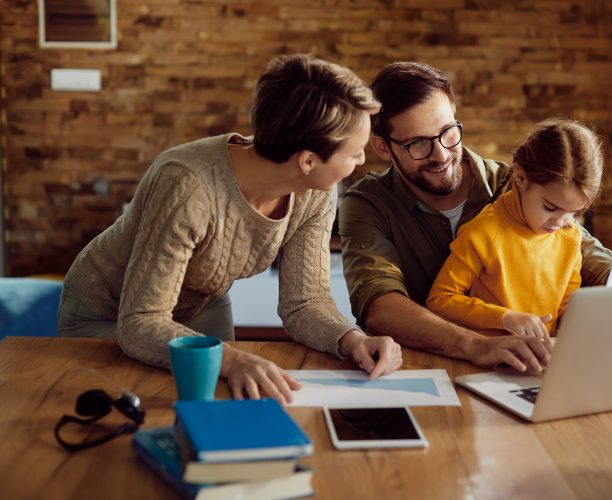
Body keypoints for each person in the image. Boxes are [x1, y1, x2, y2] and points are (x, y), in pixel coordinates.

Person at [57, 54, 403, 403]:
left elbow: (304, 301)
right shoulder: (187, 185)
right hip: (111, 312)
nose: (362, 161)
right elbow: (140, 322)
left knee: (226, 406)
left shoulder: (316, 190)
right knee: (144, 410)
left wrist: (352, 339)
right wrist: (232, 358)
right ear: (308, 160)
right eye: (356, 151)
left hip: (201, 302)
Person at [338, 61, 612, 373]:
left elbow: (593, 264)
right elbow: (380, 306)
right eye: (418, 144)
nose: (441, 154)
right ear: (383, 148)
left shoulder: (516, 186)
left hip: (526, 367)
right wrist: (479, 345)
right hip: (415, 372)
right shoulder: (366, 203)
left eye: (449, 132)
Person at [427, 119, 603, 347]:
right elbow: (440, 300)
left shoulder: (570, 237)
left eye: (573, 213)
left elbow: (568, 309)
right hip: (488, 362)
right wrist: (505, 318)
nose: (561, 222)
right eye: (550, 208)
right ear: (519, 178)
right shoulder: (483, 233)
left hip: (541, 363)